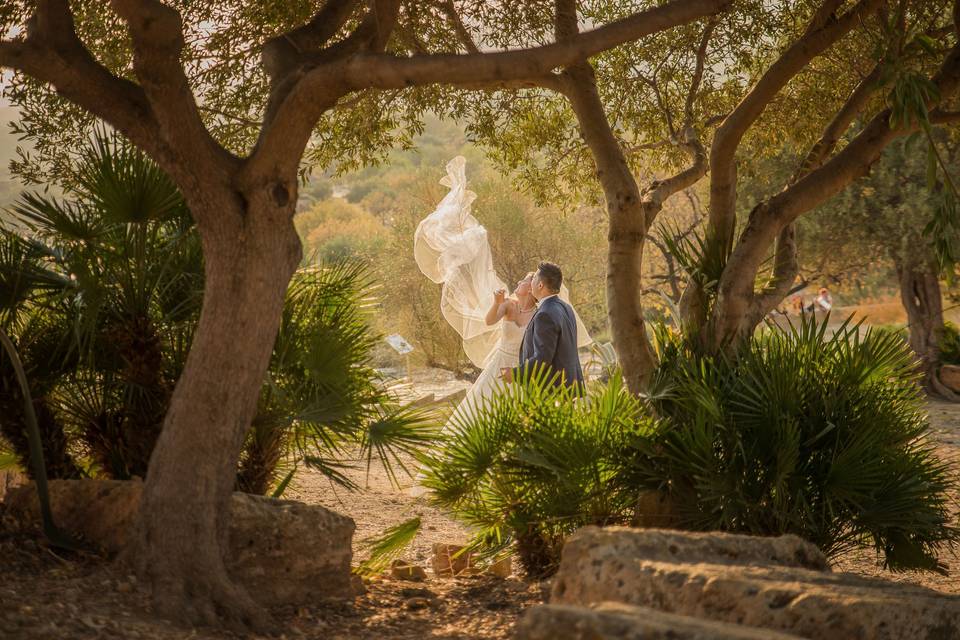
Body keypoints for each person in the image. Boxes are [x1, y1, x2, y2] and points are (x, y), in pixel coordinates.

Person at [500, 262, 585, 391]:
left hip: (551, 390)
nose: (531, 282)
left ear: (540, 285)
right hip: (568, 386)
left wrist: (515, 374)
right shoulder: (565, 307)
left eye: (533, 279)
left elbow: (543, 358)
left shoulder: (545, 314)